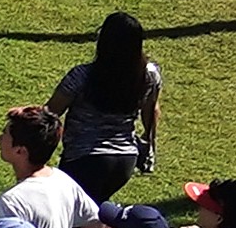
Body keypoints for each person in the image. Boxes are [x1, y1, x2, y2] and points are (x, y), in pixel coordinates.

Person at [51, 11, 164, 202]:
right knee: (92, 209)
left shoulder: (82, 76)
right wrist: (149, 144)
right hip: (125, 160)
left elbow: (50, 113)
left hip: (84, 159)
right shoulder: (149, 75)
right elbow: (151, 111)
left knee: (70, 213)